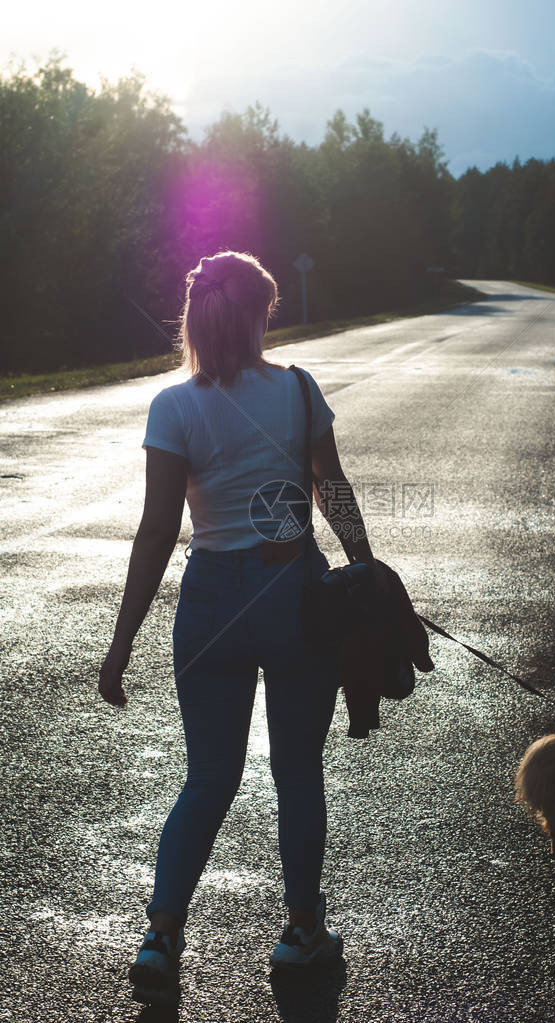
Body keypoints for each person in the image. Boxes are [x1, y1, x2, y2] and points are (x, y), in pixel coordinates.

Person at [98, 250, 381, 1007]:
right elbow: (332, 487)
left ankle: (161, 935)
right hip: (295, 596)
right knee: (296, 771)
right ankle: (299, 929)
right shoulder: (296, 389)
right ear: (260, 314)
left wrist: (121, 643)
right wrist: (367, 572)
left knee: (208, 778)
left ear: (196, 317)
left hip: (211, 604)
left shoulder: (174, 406)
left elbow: (157, 532)